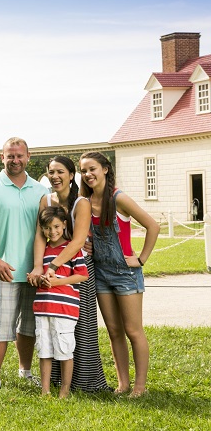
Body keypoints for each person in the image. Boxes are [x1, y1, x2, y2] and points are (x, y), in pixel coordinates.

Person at [79, 151, 160, 398]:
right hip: (101, 273)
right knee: (114, 331)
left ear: (105, 169)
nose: (88, 174)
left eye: (92, 168)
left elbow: (152, 225)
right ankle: (123, 384)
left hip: (125, 273)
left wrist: (141, 258)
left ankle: (139, 386)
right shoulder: (85, 201)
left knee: (133, 331)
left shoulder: (118, 198)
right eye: (83, 171)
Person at [0, 137, 49, 392]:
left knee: (28, 326)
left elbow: (48, 229)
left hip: (34, 271)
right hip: (2, 270)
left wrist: (40, 266)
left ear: (28, 157)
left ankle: (25, 371)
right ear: (1, 158)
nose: (15, 160)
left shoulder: (40, 191)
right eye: (10, 156)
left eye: (20, 156)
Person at [28, 156, 111, 393]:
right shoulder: (45, 200)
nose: (55, 177)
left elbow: (77, 241)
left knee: (80, 328)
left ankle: (83, 382)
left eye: (60, 172)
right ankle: (53, 381)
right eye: (51, 172)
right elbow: (39, 236)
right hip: (49, 270)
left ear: (71, 175)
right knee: (51, 327)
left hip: (76, 269)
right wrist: (38, 267)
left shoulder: (81, 202)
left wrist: (53, 267)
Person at [33, 206, 89, 398]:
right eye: (47, 228)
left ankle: (65, 391)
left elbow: (82, 275)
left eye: (56, 226)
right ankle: (45, 390)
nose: (53, 231)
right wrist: (39, 279)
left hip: (65, 309)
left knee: (65, 350)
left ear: (64, 225)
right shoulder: (43, 250)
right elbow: (38, 274)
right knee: (44, 350)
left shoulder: (72, 249)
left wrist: (59, 281)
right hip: (43, 307)